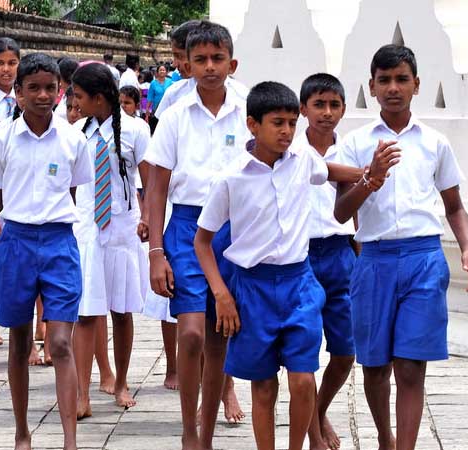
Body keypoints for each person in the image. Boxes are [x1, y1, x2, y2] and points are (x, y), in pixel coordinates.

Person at [193, 81, 363, 450]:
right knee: (265, 384)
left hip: (299, 283)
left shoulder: (302, 161)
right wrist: (221, 294)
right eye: (277, 123)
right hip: (252, 288)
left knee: (303, 379)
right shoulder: (230, 178)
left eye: (291, 123)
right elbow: (202, 242)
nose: (287, 131)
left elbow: (330, 172)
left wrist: (368, 175)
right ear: (253, 125)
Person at [334, 44, 468, 450]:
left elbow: (454, 207)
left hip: (424, 260)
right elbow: (342, 212)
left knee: (412, 368)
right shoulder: (356, 144)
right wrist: (369, 180)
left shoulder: (435, 143)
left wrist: (467, 247)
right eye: (384, 80)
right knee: (376, 368)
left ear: (417, 85)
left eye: (401, 79)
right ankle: (385, 437)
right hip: (374, 261)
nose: (393, 88)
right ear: (371, 87)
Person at [0, 53, 92, 450]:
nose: (43, 96)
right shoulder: (1, 140)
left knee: (60, 341)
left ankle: (70, 440)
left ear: (61, 91)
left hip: (60, 242)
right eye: (34, 88)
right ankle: (22, 431)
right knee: (20, 341)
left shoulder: (74, 140)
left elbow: (73, 192)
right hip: (17, 242)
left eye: (50, 88)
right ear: (19, 94)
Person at [144, 21, 248, 450]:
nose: (209, 68)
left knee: (221, 331)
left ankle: (206, 429)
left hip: (236, 228)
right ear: (186, 64)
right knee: (190, 333)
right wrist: (155, 251)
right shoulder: (173, 114)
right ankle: (189, 429)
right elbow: (157, 184)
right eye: (200, 59)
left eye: (217, 59)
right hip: (186, 227)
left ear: (231, 62)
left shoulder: (248, 108)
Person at [70, 63, 151, 417]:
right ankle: (81, 393)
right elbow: (72, 186)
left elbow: (149, 181)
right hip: (88, 228)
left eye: (79, 96)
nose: (74, 103)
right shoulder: (77, 133)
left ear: (98, 98)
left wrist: (148, 217)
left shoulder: (135, 130)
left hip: (122, 229)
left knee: (121, 311)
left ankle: (120, 383)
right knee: (87, 313)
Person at [296, 73, 357, 450]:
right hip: (299, 257)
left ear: (344, 109)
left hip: (340, 254)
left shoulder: (351, 153)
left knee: (346, 351)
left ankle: (317, 412)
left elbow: (361, 209)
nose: (327, 112)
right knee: (305, 351)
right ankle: (314, 434)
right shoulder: (290, 150)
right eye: (318, 104)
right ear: (303, 109)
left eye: (334, 105)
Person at [146, 64, 173, 132]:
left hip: (167, 108)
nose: (162, 71)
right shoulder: (153, 83)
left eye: (163, 70)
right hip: (156, 108)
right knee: (157, 128)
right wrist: (147, 111)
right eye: (160, 70)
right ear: (157, 72)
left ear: (166, 72)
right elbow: (150, 97)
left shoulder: (170, 82)